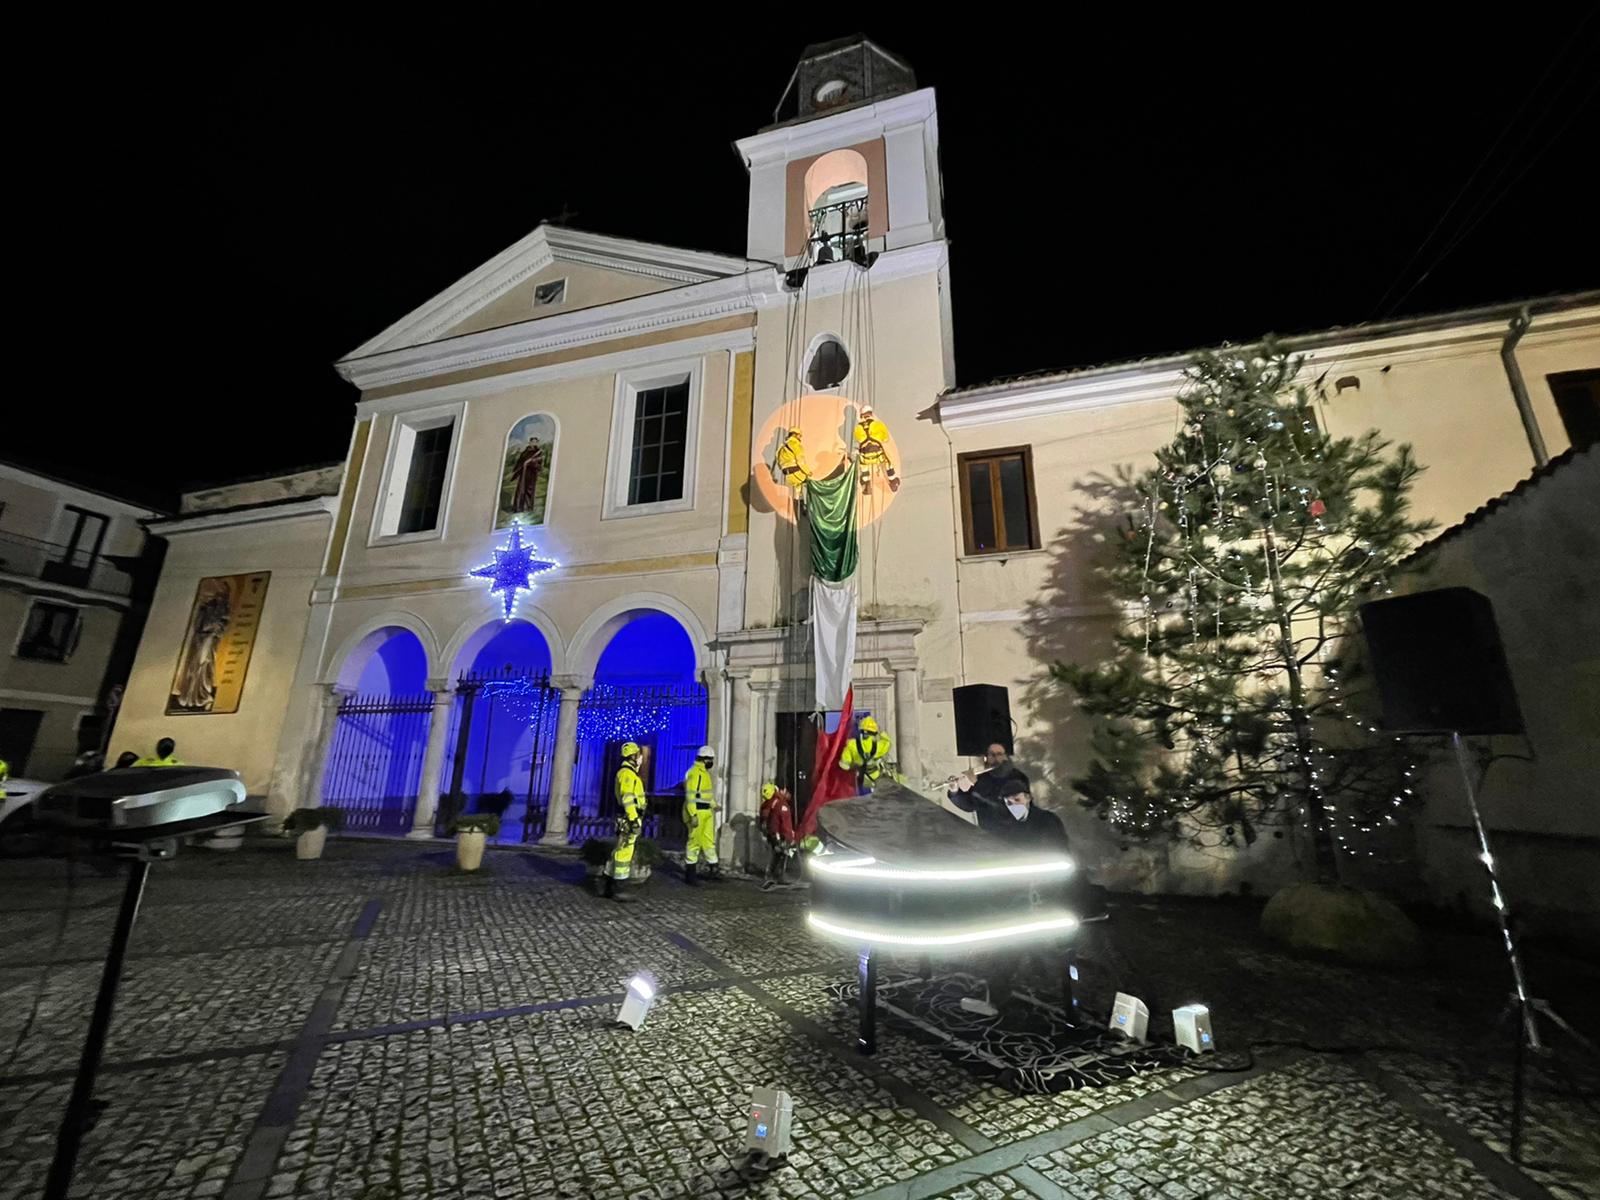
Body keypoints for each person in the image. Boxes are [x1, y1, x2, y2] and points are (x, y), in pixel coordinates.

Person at [946, 744, 1031, 833]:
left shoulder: (1017, 777)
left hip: (1011, 835)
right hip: (987, 834)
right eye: (991, 754)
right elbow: (970, 805)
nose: (995, 758)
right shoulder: (982, 777)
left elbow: (1007, 810)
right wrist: (955, 791)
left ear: (1006, 756)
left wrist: (976, 783)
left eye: (999, 754)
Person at [605, 742, 646, 903]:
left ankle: (609, 884)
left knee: (619, 850)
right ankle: (619, 888)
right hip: (629, 818)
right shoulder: (627, 774)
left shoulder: (628, 773)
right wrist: (634, 819)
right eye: (639, 755)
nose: (641, 758)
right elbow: (627, 798)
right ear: (634, 757)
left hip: (628, 816)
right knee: (624, 852)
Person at [682, 745, 719, 885]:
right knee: (694, 843)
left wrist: (714, 805)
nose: (712, 762)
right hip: (697, 812)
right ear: (704, 759)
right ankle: (690, 875)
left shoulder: (704, 774)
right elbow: (690, 796)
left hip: (706, 812)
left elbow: (706, 795)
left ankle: (713, 868)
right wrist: (693, 814)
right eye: (711, 759)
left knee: (708, 841)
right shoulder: (694, 773)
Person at [758, 781, 798, 888]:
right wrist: (788, 837)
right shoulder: (781, 805)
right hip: (780, 835)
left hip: (773, 834)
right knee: (781, 855)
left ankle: (773, 875)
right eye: (785, 791)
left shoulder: (769, 804)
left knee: (777, 855)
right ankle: (777, 876)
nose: (788, 793)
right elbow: (785, 823)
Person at [838, 715, 892, 794]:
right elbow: (888, 742)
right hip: (875, 778)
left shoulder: (851, 744)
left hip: (860, 779)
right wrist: (880, 731)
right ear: (874, 733)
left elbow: (844, 765)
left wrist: (852, 765)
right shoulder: (879, 746)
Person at [853, 404, 899, 494]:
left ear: (861, 415)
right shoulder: (879, 425)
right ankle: (893, 481)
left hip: (865, 456)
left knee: (863, 467)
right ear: (871, 414)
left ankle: (866, 484)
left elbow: (858, 439)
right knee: (888, 462)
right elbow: (886, 439)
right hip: (878, 455)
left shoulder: (858, 427)